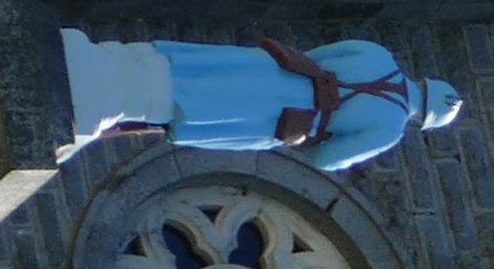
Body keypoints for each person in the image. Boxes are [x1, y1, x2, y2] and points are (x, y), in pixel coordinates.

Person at [57, 30, 464, 173]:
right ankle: (94, 106)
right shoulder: (390, 129)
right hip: (270, 117)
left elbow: (321, 56)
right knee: (181, 111)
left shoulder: (378, 54)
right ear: (422, 120)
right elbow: (325, 161)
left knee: (186, 72)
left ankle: (100, 66)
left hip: (268, 71)